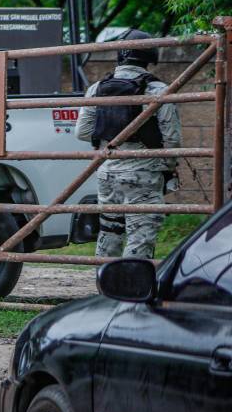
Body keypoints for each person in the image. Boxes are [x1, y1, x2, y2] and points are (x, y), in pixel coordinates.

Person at [75, 30, 181, 259]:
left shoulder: (96, 89)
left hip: (107, 173)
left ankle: (105, 288)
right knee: (140, 235)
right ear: (151, 56)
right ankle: (134, 291)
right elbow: (172, 140)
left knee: (109, 231)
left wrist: (108, 139)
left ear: (120, 55)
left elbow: (82, 132)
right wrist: (167, 167)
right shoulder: (159, 90)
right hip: (144, 173)